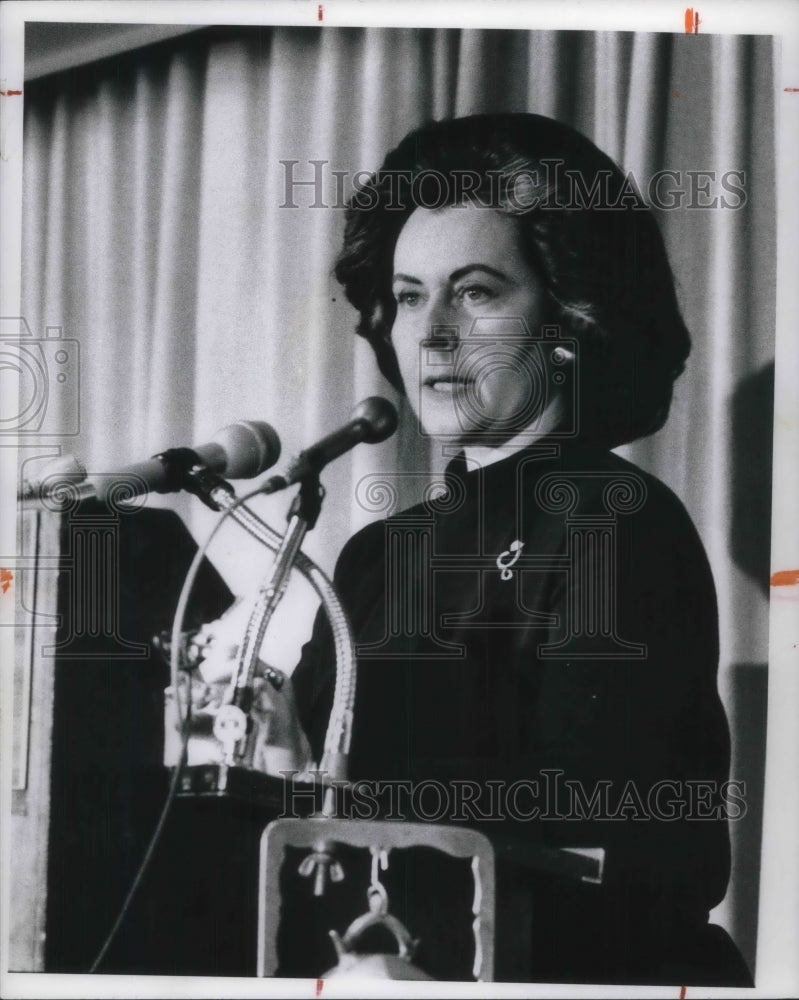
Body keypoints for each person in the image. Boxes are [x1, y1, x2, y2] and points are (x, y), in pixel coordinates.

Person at [274, 114, 752, 984]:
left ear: (569, 317)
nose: (430, 334)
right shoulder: (376, 556)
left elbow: (591, 821)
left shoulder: (618, 518)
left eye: (477, 291)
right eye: (411, 295)